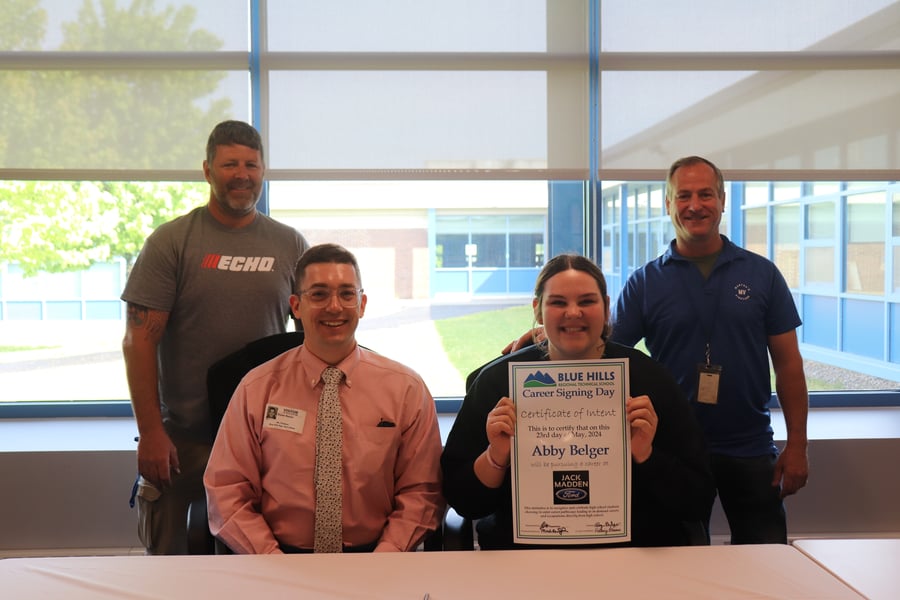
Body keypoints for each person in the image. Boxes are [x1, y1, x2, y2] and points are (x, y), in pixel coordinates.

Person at [121, 120, 309, 555]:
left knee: (257, 561)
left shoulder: (289, 244)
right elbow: (139, 341)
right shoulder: (172, 242)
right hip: (183, 440)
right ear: (208, 170)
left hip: (265, 439)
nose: (241, 174)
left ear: (263, 172)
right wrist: (150, 431)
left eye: (251, 164)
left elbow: (309, 343)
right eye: (229, 164)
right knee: (171, 564)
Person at [441, 253, 714, 550]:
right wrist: (496, 456)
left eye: (586, 301)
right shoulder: (498, 384)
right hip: (527, 559)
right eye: (558, 302)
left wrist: (646, 455)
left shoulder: (650, 381)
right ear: (538, 310)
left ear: (606, 307)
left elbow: (697, 500)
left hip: (633, 559)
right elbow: (463, 500)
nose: (573, 313)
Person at [610, 156, 809, 544]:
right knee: (677, 564)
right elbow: (608, 356)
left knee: (765, 562)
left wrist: (798, 446)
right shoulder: (644, 282)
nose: (694, 205)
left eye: (705, 194)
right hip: (673, 450)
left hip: (749, 446)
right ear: (668, 204)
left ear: (721, 199)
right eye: (682, 195)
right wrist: (542, 341)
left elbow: (789, 366)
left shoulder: (762, 273)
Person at [204, 243, 444, 554]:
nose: (334, 306)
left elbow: (423, 491)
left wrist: (387, 557)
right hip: (277, 556)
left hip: (379, 557)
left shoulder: (406, 390)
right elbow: (227, 489)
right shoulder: (256, 389)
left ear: (362, 304)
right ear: (296, 305)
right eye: (318, 294)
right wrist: (271, 561)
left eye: (347, 294)